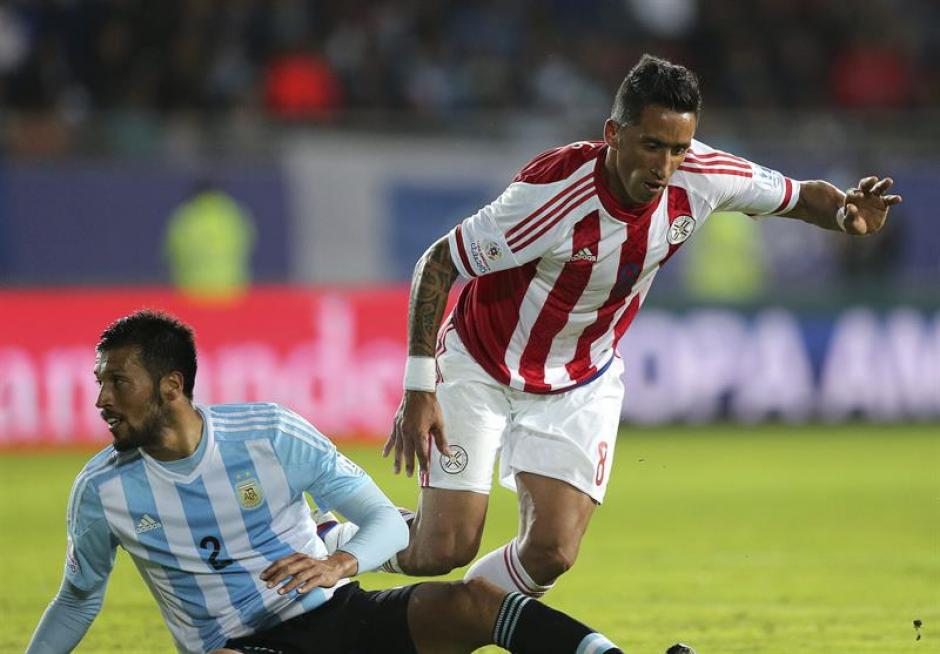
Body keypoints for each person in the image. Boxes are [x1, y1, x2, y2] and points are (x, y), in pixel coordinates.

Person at [381, 54, 902, 597]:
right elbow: (439, 263)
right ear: (614, 133)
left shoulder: (704, 176)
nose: (666, 165)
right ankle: (331, 541)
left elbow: (799, 196)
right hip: (483, 364)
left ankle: (467, 613)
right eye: (653, 145)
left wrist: (846, 214)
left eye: (679, 148)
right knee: (442, 548)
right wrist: (419, 388)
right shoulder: (555, 193)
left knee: (551, 552)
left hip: (580, 378)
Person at [26, 310, 626, 654]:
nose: (101, 399)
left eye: (117, 382)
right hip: (241, 646)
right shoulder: (102, 492)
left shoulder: (269, 434)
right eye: (99, 382)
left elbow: (389, 523)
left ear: (172, 387)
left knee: (477, 604)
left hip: (336, 615)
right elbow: (78, 600)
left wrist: (341, 565)